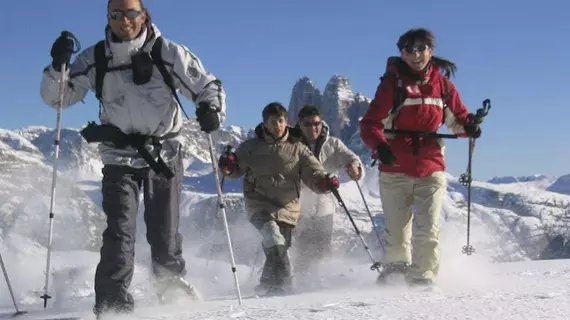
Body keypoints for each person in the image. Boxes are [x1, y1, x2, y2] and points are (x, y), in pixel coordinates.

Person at [40, 0, 225, 317]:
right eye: (116, 14)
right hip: (118, 155)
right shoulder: (97, 58)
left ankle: (172, 297)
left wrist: (211, 109)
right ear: (109, 18)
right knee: (119, 232)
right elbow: (59, 98)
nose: (124, 20)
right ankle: (113, 307)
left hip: (163, 153)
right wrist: (58, 68)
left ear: (144, 15)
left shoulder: (168, 53)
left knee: (164, 233)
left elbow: (206, 84)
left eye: (131, 13)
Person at [359, 28, 482, 286]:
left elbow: (458, 121)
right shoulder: (392, 85)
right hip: (394, 168)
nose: (415, 55)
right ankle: (394, 274)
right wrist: (380, 146)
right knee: (397, 232)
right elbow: (370, 123)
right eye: (409, 50)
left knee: (428, 228)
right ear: (401, 54)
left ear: (431, 51)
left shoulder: (444, 87)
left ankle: (422, 279)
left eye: (420, 48)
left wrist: (470, 126)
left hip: (431, 166)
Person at [218, 102, 340, 296]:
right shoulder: (250, 147)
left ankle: (266, 285)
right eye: (273, 121)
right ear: (265, 124)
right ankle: (284, 289)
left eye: (281, 121)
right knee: (274, 240)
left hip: (287, 207)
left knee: (280, 247)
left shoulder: (298, 148)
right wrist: (228, 165)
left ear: (287, 121)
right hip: (258, 205)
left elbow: (314, 172)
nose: (278, 125)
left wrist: (324, 182)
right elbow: (232, 172)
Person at [292, 105, 364, 282]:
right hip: (299, 204)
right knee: (301, 246)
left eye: (316, 123)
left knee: (322, 247)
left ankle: (318, 284)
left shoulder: (333, 144)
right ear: (300, 125)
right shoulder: (291, 145)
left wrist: (354, 168)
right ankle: (300, 283)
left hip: (325, 206)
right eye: (307, 124)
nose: (313, 128)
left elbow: (352, 158)